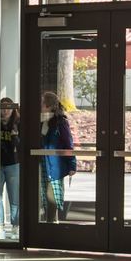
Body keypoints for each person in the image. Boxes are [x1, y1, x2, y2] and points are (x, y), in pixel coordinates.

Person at [39, 91, 76, 224]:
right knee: (40, 195)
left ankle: (52, 224)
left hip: (53, 164)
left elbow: (68, 144)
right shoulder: (38, 121)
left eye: (42, 102)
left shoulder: (60, 122)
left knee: (52, 196)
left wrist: (72, 165)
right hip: (40, 162)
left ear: (49, 106)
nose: (40, 105)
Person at [0, 98, 20, 233]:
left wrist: (14, 136)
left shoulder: (18, 124)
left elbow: (20, 146)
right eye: (2, 108)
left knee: (14, 196)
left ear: (13, 109)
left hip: (13, 164)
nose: (5, 111)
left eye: (8, 108)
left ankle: (15, 225)